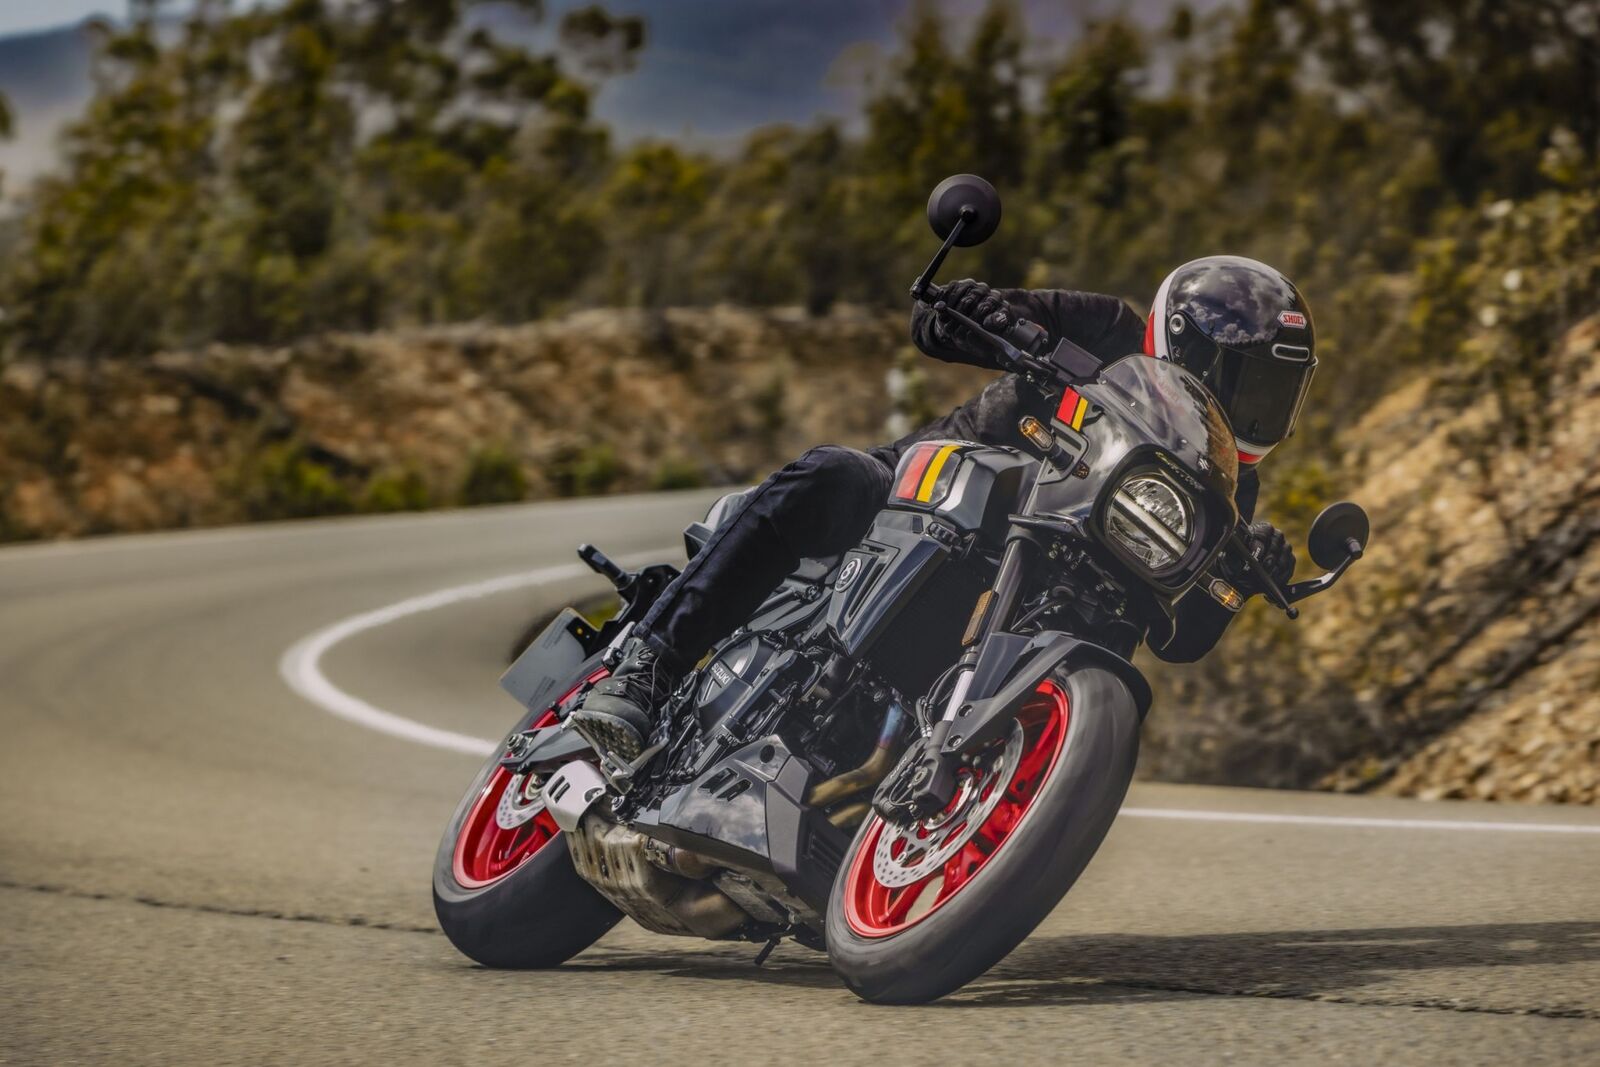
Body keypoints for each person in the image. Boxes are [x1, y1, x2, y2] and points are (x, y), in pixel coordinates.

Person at [570, 255, 1316, 761]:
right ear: (1187, 345)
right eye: (1242, 380)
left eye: (1272, 393)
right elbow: (935, 327)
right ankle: (646, 670)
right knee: (835, 474)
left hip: (1039, 594)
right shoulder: (1105, 328)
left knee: (1109, 644)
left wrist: (1234, 585)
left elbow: (1176, 639)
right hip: (922, 493)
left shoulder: (1226, 483)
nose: (1248, 404)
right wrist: (977, 311)